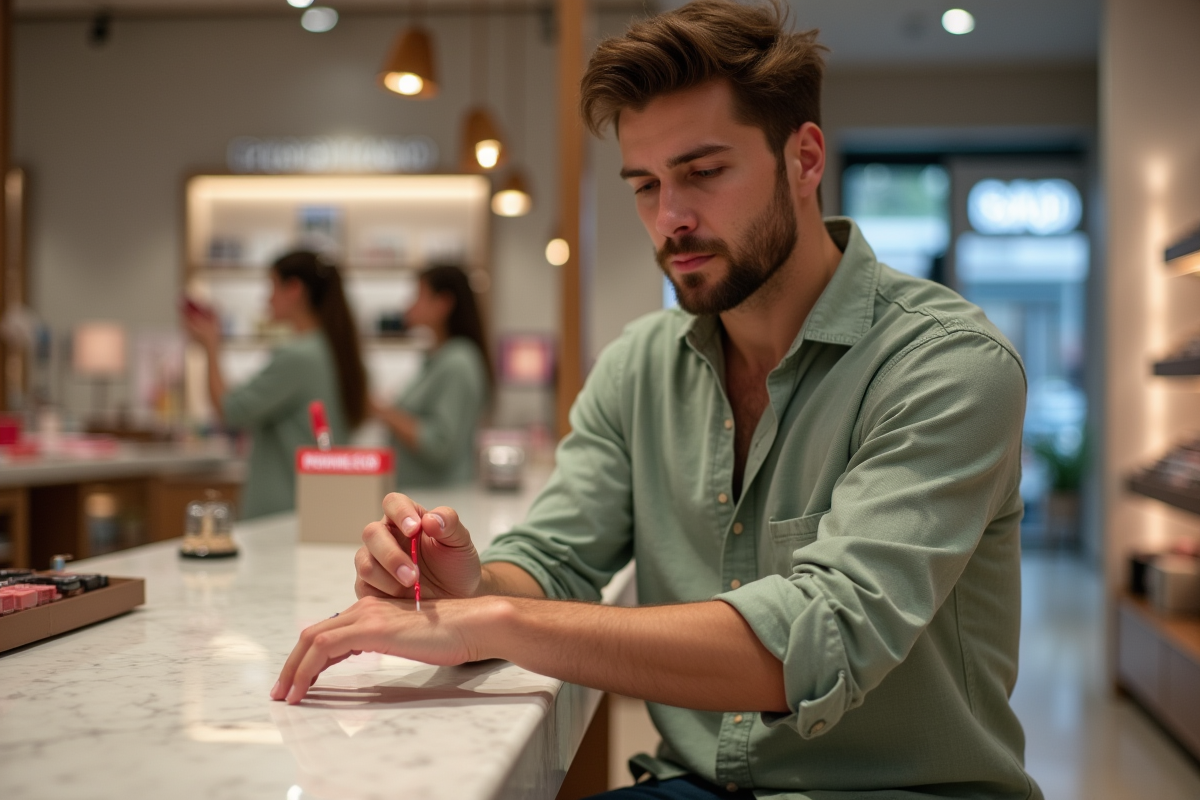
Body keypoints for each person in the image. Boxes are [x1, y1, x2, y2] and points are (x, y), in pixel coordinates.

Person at [272, 3, 1041, 798]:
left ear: (804, 159)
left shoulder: (947, 364)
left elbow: (818, 639)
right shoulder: (638, 367)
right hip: (693, 783)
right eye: (645, 184)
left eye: (703, 172)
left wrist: (491, 624)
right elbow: (559, 557)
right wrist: (467, 584)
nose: (671, 217)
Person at [186, 250, 367, 519]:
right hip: (311, 507)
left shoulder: (298, 356)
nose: (267, 298)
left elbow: (230, 411)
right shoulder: (333, 350)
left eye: (272, 287)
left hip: (281, 511)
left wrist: (211, 348)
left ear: (294, 289)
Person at [372, 265, 491, 487]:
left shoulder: (458, 362)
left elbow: (439, 444)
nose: (409, 306)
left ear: (443, 303)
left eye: (418, 296)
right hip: (425, 497)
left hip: (438, 500)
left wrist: (382, 411)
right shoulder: (439, 359)